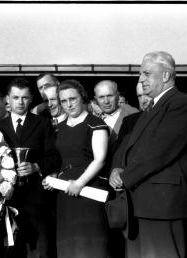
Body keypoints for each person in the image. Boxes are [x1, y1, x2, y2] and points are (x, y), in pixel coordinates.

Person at [109, 51, 187, 258]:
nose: (141, 79)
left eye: (147, 73)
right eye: (141, 74)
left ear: (166, 76)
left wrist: (125, 176)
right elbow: (127, 144)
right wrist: (116, 167)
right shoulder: (153, 106)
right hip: (141, 204)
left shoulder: (180, 104)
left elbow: (159, 151)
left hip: (162, 206)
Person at [43, 79, 110, 258]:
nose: (69, 104)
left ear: (82, 97)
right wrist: (53, 178)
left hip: (89, 192)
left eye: (72, 99)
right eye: (63, 101)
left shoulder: (96, 124)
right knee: (68, 247)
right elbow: (58, 159)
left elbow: (100, 159)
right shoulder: (58, 129)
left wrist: (79, 183)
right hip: (65, 195)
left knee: (91, 247)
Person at [0, 77, 60, 258]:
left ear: (31, 98)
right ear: (7, 99)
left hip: (36, 198)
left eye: (24, 97)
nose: (20, 102)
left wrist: (36, 166)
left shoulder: (43, 123)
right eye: (15, 97)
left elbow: (54, 156)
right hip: (8, 198)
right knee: (12, 249)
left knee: (40, 250)